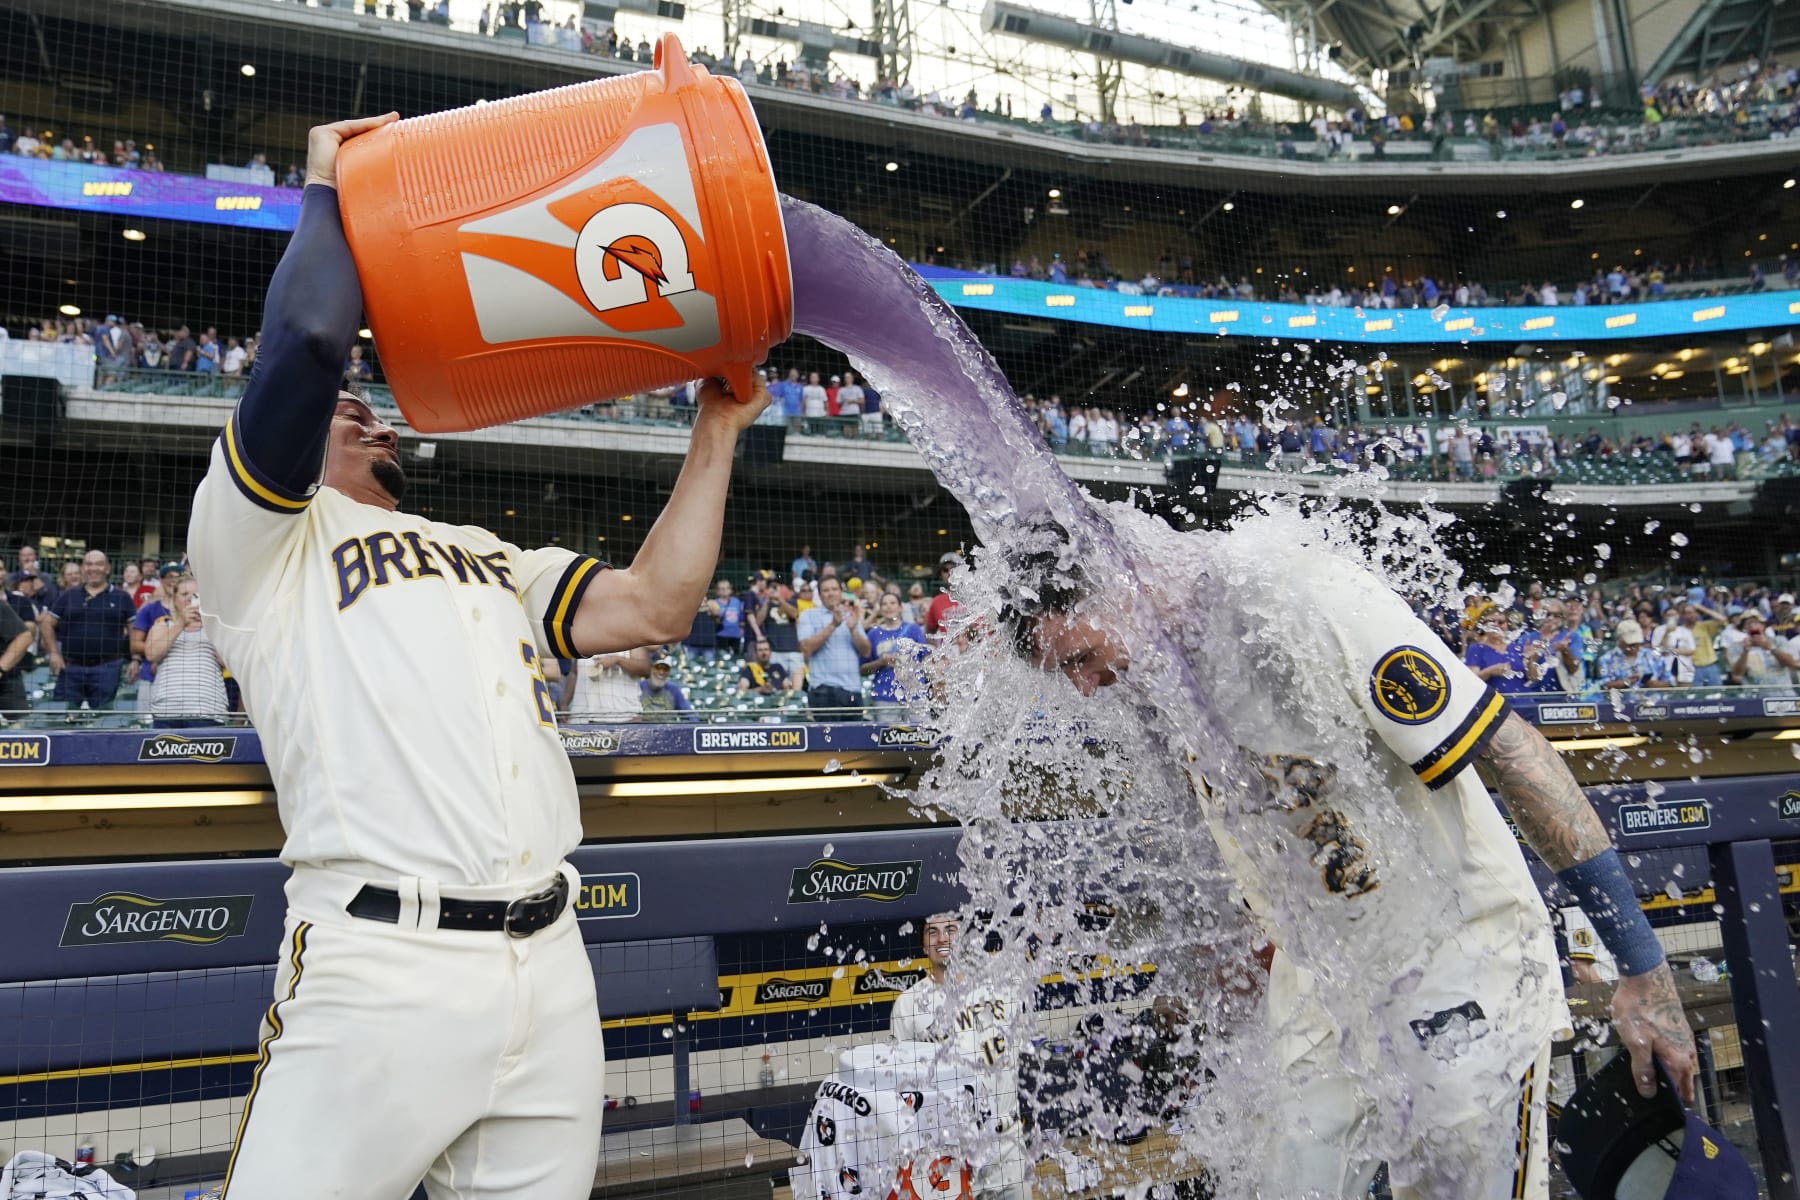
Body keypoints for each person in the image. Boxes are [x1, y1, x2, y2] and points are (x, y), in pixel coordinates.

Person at [186, 114, 768, 1200]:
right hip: (378, 960)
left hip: (549, 963)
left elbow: (657, 603)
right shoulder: (253, 540)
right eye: (344, 411)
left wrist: (719, 428)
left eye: (374, 409)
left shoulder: (489, 552)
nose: (367, 411)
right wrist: (327, 187)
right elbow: (312, 342)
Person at [995, 518, 1694, 1198]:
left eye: (1080, 658)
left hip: (1458, 953)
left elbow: (1518, 756)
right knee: (1280, 1180)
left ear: (1120, 585)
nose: (1085, 685)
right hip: (1326, 973)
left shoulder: (1297, 592)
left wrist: (1645, 974)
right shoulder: (1165, 672)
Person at [888, 913, 1027, 1200]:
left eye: (950, 929)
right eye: (933, 932)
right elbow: (901, 1089)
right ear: (924, 946)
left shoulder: (1001, 988)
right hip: (950, 1161)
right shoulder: (908, 1005)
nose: (943, 938)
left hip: (1008, 1151)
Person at [39, 550, 135, 712]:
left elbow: (134, 630)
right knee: (62, 720)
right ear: (83, 568)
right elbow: (46, 624)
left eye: (99, 564)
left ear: (108, 568)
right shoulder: (68, 596)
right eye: (89, 564)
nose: (93, 568)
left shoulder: (122, 597)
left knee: (103, 721)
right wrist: (54, 653)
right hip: (70, 668)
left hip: (107, 668)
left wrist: (136, 659)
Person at [144, 575, 229, 728]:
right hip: (166, 710)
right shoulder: (162, 625)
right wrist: (180, 624)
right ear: (174, 599)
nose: (190, 599)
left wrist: (210, 626)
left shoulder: (217, 628)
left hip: (207, 709)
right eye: (184, 595)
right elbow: (151, 654)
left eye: (196, 595)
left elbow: (227, 662)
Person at [798, 575, 867, 719]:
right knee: (828, 741)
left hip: (853, 690)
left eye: (834, 589)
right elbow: (806, 648)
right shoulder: (808, 616)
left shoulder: (851, 615)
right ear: (820, 595)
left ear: (841, 592)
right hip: (824, 691)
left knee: (857, 740)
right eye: (826, 590)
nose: (831, 593)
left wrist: (854, 629)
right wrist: (833, 625)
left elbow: (866, 651)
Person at [129, 564, 186, 719]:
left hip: (184, 680)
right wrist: (155, 649)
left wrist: (163, 647)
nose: (173, 580)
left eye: (178, 577)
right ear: (161, 580)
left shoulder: (195, 610)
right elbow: (134, 644)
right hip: (151, 677)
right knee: (146, 727)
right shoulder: (150, 609)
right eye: (169, 577)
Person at [861, 592, 925, 724]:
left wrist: (906, 661)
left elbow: (926, 659)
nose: (888, 607)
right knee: (886, 738)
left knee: (919, 738)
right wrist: (881, 662)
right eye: (884, 604)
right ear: (880, 609)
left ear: (900, 607)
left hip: (914, 693)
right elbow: (863, 669)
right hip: (884, 695)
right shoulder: (873, 634)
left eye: (892, 603)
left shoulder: (913, 629)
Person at [561, 646, 652, 722]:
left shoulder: (630, 636)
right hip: (582, 716)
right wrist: (565, 703)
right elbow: (574, 673)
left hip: (622, 717)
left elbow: (645, 669)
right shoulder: (583, 638)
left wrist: (618, 660)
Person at [638, 655, 697, 721]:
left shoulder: (673, 690)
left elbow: (690, 715)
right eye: (658, 667)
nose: (661, 672)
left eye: (665, 669)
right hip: (643, 729)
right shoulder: (639, 687)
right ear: (651, 668)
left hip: (666, 729)